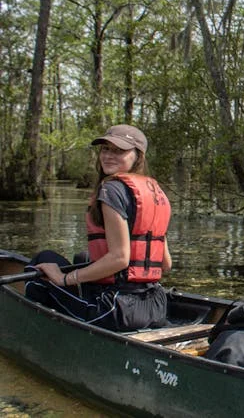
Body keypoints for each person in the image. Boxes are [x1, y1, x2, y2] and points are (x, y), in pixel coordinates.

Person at [25, 124, 172, 332]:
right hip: (155, 306)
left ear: (138, 156)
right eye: (105, 149)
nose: (109, 156)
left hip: (115, 310)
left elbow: (120, 258)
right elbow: (165, 263)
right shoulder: (156, 193)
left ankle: (44, 337)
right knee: (82, 257)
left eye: (119, 151)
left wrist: (64, 278)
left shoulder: (111, 190)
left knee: (39, 267)